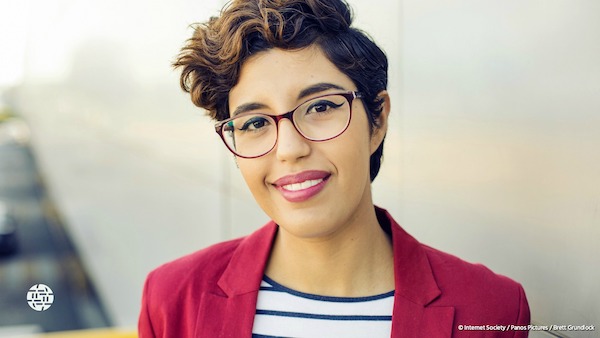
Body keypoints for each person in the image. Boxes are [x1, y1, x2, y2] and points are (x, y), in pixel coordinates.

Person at [138, 0, 530, 337]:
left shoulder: (492, 309)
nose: (290, 150)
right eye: (255, 122)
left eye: (321, 106)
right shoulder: (173, 299)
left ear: (377, 121)